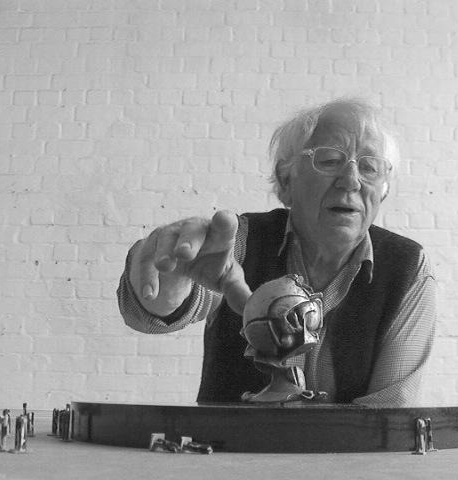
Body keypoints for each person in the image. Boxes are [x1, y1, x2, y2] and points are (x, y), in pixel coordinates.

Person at [117, 97, 436, 405]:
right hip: (231, 456)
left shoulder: (407, 267)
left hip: (351, 458)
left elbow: (390, 416)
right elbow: (152, 314)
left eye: (370, 167)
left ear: (383, 191)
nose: (351, 181)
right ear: (285, 182)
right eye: (329, 160)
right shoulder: (237, 241)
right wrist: (169, 283)